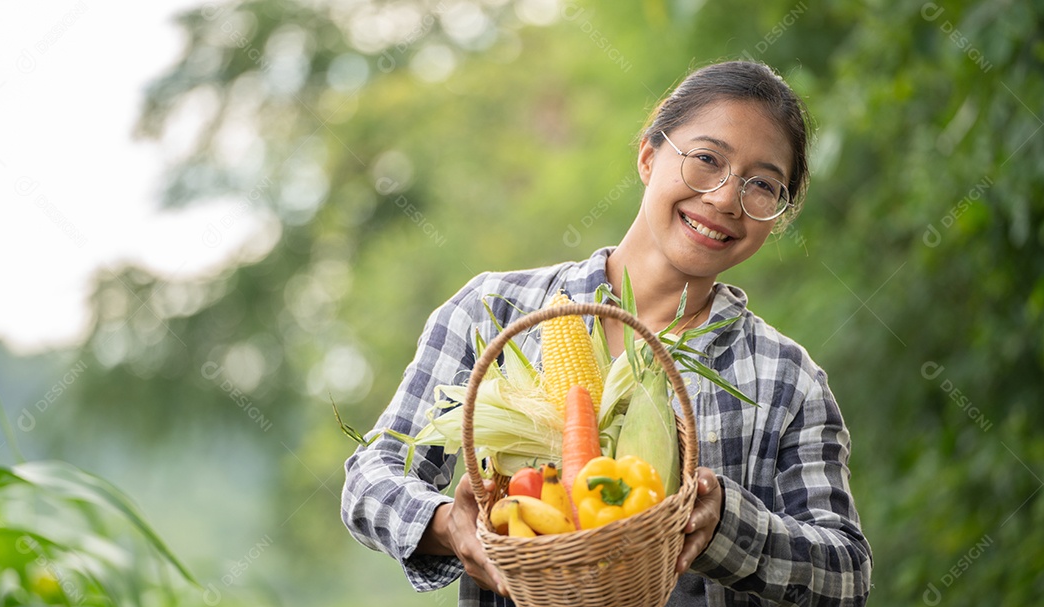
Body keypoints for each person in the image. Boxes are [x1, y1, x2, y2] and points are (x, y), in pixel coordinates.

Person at [341, 60, 872, 605]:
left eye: (762, 185)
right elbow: (369, 481)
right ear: (648, 156)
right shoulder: (493, 311)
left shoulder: (788, 379)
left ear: (777, 214)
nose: (724, 199)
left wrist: (726, 528)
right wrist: (449, 524)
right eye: (707, 160)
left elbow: (848, 575)